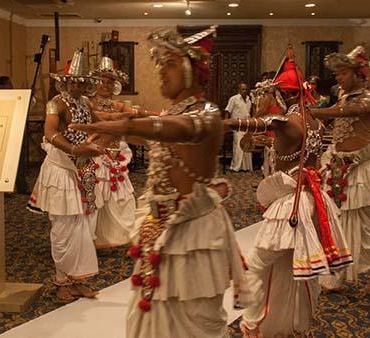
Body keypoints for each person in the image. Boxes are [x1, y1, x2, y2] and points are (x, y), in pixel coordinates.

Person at [71, 26, 249, 338]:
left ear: (191, 70)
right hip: (159, 225)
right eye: (159, 64)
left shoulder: (207, 112)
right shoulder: (172, 112)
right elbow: (160, 128)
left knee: (192, 316)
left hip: (194, 232)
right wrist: (124, 125)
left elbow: (178, 128)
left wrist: (126, 123)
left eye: (168, 63)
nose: (160, 72)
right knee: (151, 312)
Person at [224, 49, 352, 338]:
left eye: (277, 94)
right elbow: (277, 145)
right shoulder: (313, 121)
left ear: (285, 95)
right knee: (290, 266)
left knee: (257, 263)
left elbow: (255, 124)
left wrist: (219, 124)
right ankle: (289, 324)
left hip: (291, 203)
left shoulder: (287, 122)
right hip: (310, 195)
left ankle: (254, 322)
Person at [310, 46, 370, 291]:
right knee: (340, 221)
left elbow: (351, 112)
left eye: (343, 73)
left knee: (366, 225)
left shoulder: (368, 98)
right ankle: (338, 274)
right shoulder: (343, 96)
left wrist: (316, 111)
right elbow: (342, 112)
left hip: (362, 168)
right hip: (340, 164)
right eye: (337, 73)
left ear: (359, 74)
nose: (337, 77)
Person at [27, 50, 104, 301]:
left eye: (81, 81)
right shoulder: (55, 103)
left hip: (81, 169)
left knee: (81, 228)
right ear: (65, 80)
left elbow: (99, 123)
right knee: (62, 228)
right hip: (60, 170)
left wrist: (96, 139)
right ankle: (61, 283)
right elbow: (50, 133)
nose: (76, 84)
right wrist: (75, 149)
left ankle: (77, 279)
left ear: (85, 83)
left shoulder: (85, 103)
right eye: (73, 80)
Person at [88, 56, 136, 249]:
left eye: (110, 82)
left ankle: (130, 238)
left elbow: (134, 114)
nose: (106, 85)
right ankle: (93, 240)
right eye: (102, 81)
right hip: (97, 156)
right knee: (98, 198)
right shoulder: (88, 103)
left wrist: (160, 117)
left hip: (118, 157)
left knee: (124, 199)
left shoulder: (118, 105)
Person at [226, 82, 253, 172]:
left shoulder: (249, 100)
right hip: (237, 125)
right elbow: (228, 111)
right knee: (238, 146)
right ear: (238, 90)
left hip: (247, 125)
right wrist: (226, 124)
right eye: (242, 89)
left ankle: (246, 167)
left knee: (247, 146)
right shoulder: (233, 99)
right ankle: (235, 167)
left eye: (246, 89)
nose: (245, 91)